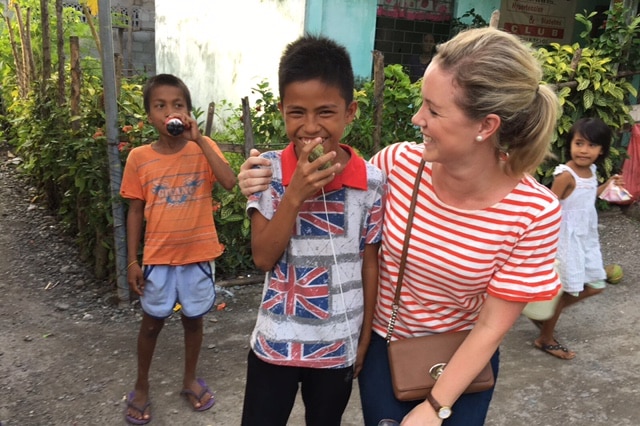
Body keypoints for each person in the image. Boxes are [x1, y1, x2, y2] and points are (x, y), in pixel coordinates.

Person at [238, 27, 562, 426]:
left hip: (461, 359)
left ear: (486, 126)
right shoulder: (397, 165)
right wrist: (258, 178)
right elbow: (339, 180)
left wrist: (434, 408)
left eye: (433, 109)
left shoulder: (534, 212)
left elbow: (492, 326)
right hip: (385, 353)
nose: (416, 118)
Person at [240, 35, 386, 426]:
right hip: (275, 345)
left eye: (325, 112)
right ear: (281, 110)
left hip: (337, 345)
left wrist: (365, 333)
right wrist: (295, 195)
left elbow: (370, 263)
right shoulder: (266, 172)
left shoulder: (371, 182)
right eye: (296, 113)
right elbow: (263, 256)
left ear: (350, 111)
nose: (310, 127)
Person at [120, 73, 236, 424]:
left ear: (187, 111)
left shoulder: (203, 147)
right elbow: (135, 210)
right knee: (151, 324)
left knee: (193, 320)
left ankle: (189, 379)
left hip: (198, 258)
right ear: (149, 115)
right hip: (158, 259)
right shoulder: (139, 158)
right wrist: (131, 261)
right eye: (160, 106)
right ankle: (141, 385)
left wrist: (200, 142)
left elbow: (230, 182)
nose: (169, 111)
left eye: (178, 105)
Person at [532, 117, 624, 360]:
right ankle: (546, 338)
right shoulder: (566, 174)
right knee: (567, 292)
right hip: (565, 240)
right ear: (570, 144)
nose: (584, 150)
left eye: (591, 145)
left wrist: (609, 184)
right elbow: (549, 206)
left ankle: (545, 314)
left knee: (595, 286)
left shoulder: (590, 171)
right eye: (579, 143)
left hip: (585, 238)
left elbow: (587, 195)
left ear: (601, 150)